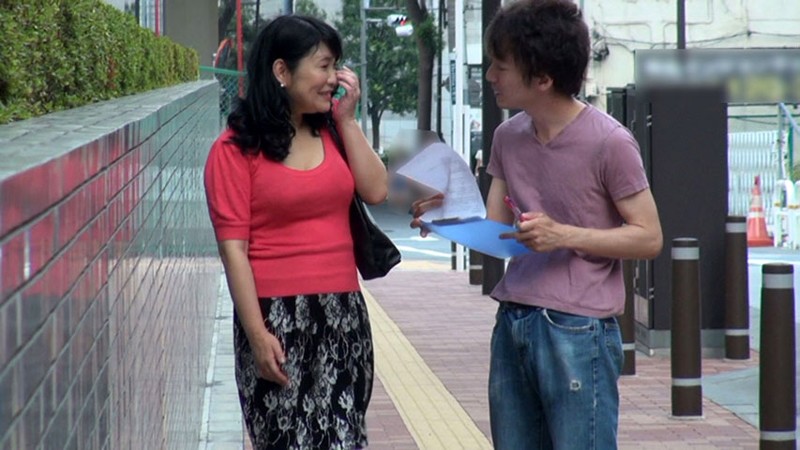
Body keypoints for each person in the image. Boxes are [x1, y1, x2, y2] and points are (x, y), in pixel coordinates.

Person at [411, 0, 662, 448]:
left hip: (579, 327)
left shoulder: (610, 142)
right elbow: (495, 228)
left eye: (501, 66)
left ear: (543, 78)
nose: (491, 75)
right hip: (514, 319)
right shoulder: (508, 136)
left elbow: (649, 237)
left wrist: (562, 235)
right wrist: (444, 216)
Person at [203, 15, 387, 450]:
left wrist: (348, 120)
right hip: (275, 320)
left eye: (335, 66)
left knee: (344, 439)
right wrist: (256, 334)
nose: (334, 78)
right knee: (285, 440)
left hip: (342, 314)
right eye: (323, 66)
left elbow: (377, 190)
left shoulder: (334, 131)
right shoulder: (234, 148)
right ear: (282, 71)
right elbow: (234, 251)